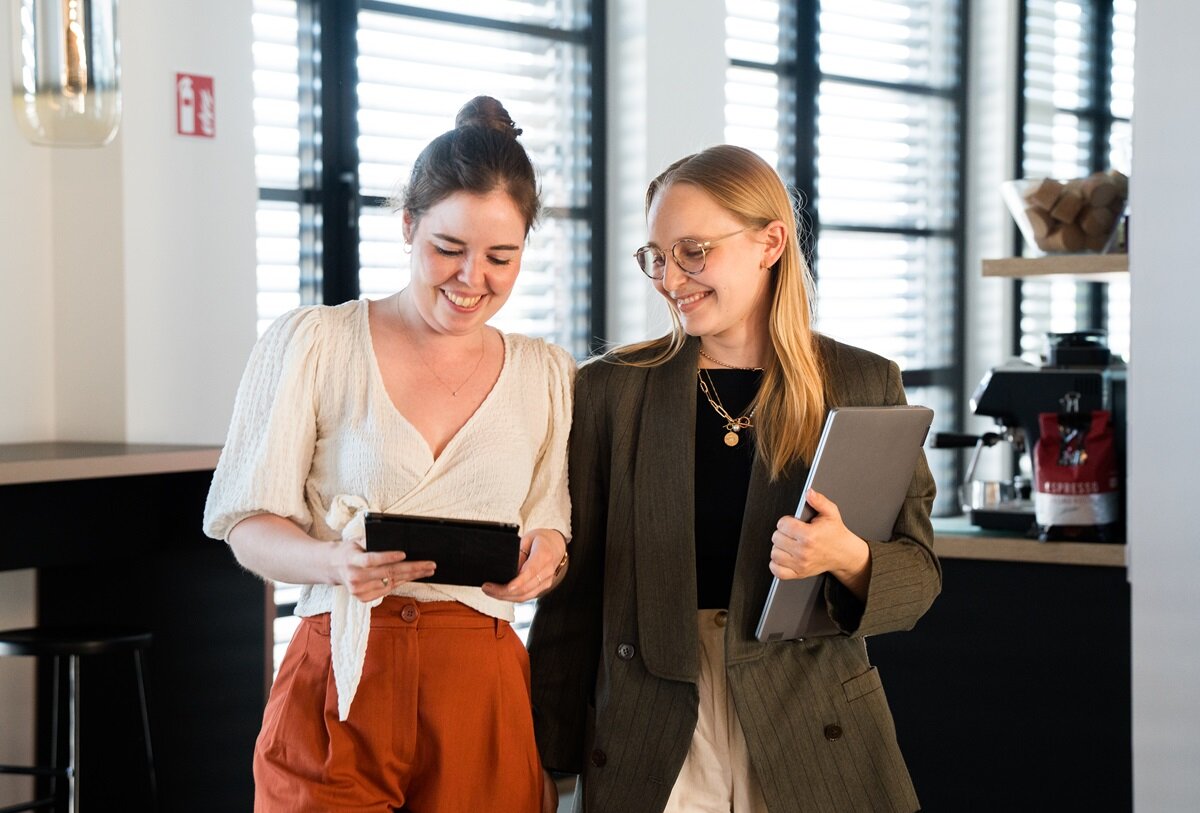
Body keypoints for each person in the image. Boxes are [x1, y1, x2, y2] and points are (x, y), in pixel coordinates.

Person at [527, 144, 940, 813]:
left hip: (810, 729)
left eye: (693, 250)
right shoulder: (609, 391)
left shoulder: (862, 383)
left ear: (770, 241)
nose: (669, 277)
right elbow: (573, 601)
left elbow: (919, 575)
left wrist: (850, 558)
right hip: (649, 726)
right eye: (656, 255)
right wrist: (546, 761)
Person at [203, 96, 573, 813]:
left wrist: (544, 557)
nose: (473, 278)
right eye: (448, 249)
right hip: (341, 670)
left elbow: (549, 523)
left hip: (481, 688)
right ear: (408, 226)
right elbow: (247, 522)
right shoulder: (315, 342)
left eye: (502, 256)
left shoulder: (548, 374)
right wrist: (331, 561)